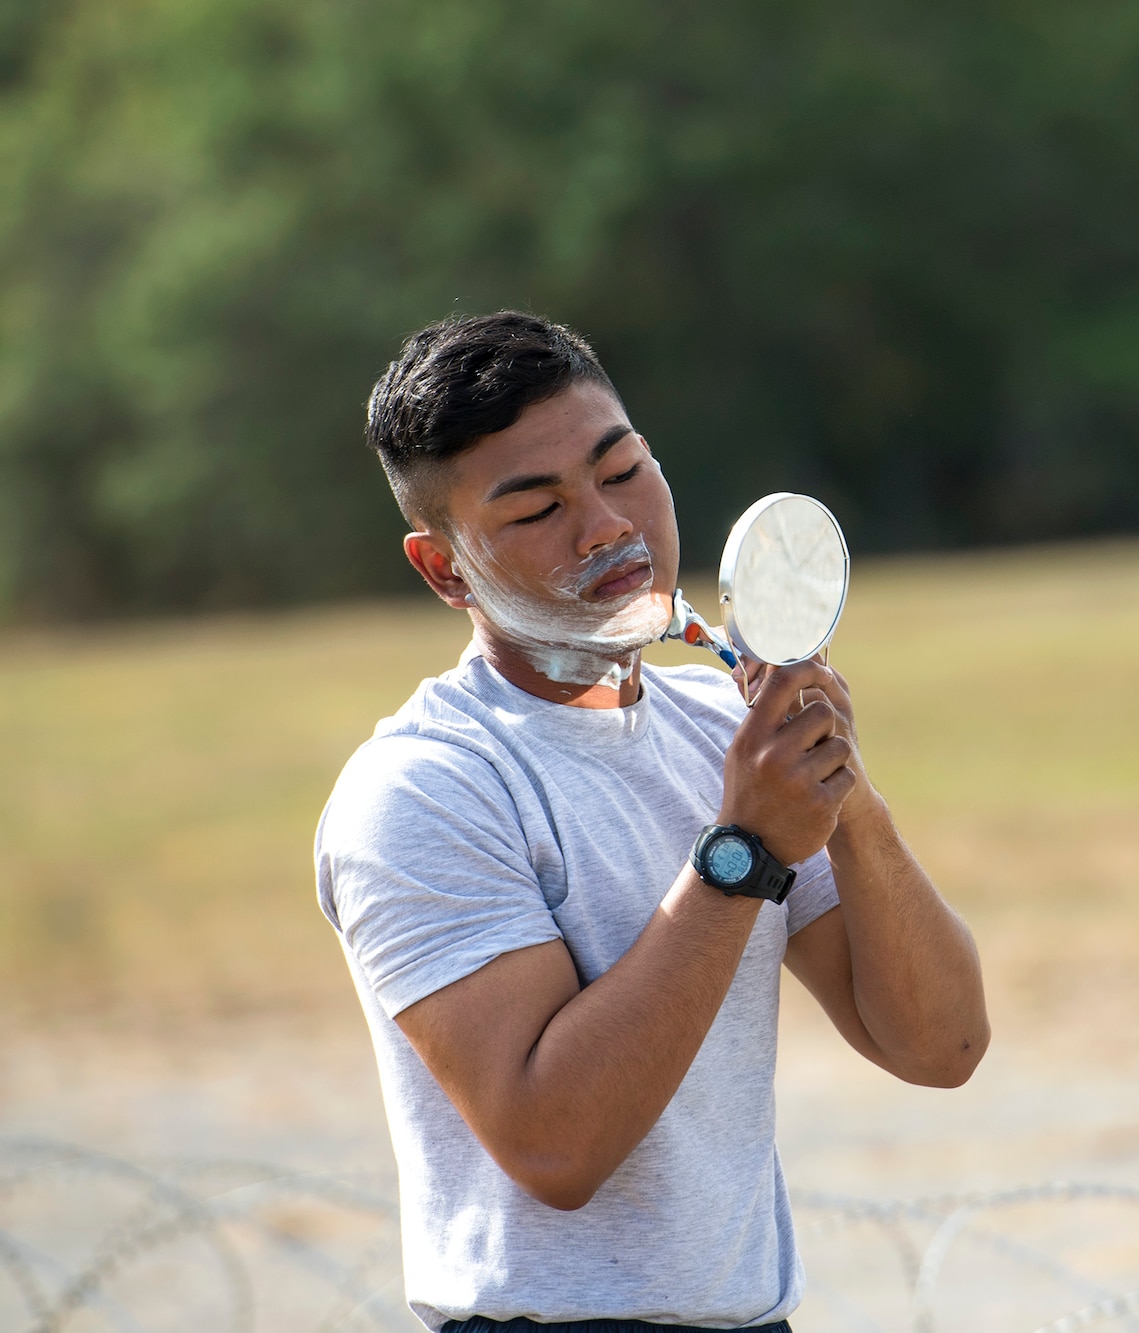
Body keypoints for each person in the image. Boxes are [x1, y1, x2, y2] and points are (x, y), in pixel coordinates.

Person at [315, 311, 990, 1332]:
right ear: (445, 569)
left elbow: (941, 1045)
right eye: (536, 507)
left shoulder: (721, 732)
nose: (606, 527)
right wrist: (745, 850)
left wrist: (842, 795)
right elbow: (554, 1145)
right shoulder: (422, 788)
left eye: (622, 469)